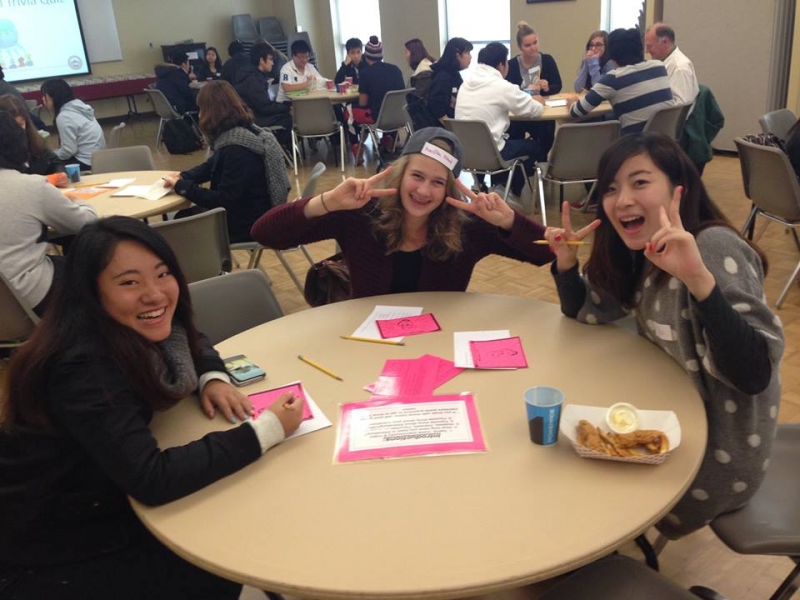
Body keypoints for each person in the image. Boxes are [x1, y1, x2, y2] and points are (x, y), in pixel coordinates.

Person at [0, 216, 304, 600]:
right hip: (56, 542)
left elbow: (191, 336)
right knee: (226, 555)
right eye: (129, 282)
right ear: (90, 292)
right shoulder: (83, 365)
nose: (155, 295)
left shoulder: (134, 327)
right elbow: (151, 478)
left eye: (163, 274)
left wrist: (212, 376)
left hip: (100, 493)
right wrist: (268, 428)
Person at [544, 132, 783, 539]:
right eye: (611, 189)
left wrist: (699, 282)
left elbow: (754, 373)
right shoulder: (644, 252)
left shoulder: (709, 247)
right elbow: (590, 312)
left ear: (678, 189)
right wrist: (567, 266)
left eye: (640, 182)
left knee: (565, 486)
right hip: (671, 415)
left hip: (715, 454)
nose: (622, 201)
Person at [250, 127, 554, 298]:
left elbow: (546, 252)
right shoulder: (361, 213)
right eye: (417, 177)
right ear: (400, 172)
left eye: (437, 183)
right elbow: (264, 234)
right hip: (369, 343)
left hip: (440, 343)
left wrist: (509, 221)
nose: (423, 191)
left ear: (449, 189)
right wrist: (327, 201)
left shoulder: (467, 226)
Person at [162, 81, 290, 244]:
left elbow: (223, 200)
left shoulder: (236, 149)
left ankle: (209, 266)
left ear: (211, 112)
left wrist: (183, 187)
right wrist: (183, 176)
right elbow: (211, 166)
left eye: (201, 109)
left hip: (249, 223)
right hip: (250, 211)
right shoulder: (240, 134)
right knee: (183, 218)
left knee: (179, 226)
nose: (199, 115)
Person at [0, 112, 97, 316]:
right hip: (25, 297)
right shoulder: (30, 186)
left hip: (9, 303)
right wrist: (79, 201)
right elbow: (85, 223)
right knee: (91, 268)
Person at [455, 42, 544, 202]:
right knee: (535, 145)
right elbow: (534, 110)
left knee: (507, 139)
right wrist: (538, 100)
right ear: (501, 65)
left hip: (466, 155)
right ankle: (510, 191)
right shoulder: (502, 86)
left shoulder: (465, 85)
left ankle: (500, 186)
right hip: (495, 154)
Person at [569, 28, 674, 134]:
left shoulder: (614, 78)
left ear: (612, 55)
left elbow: (576, 111)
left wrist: (572, 102)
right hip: (666, 142)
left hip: (635, 144)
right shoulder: (659, 66)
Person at [505, 22, 562, 159]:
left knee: (545, 138)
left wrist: (547, 88)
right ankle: (520, 170)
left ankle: (538, 166)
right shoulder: (512, 64)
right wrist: (525, 91)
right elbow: (508, 89)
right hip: (520, 114)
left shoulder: (547, 60)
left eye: (535, 43)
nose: (533, 48)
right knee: (512, 134)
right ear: (520, 47)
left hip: (541, 114)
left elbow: (558, 85)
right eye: (528, 45)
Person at [353, 35, 406, 153]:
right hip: (400, 117)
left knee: (349, 111)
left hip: (377, 118)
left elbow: (363, 102)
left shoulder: (365, 74)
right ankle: (390, 138)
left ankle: (356, 146)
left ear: (366, 56)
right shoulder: (396, 70)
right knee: (389, 108)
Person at [234, 42, 293, 148]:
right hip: (254, 119)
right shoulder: (253, 80)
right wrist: (286, 107)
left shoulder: (251, 75)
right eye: (270, 59)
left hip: (252, 116)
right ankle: (280, 149)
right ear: (262, 60)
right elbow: (264, 107)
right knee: (288, 118)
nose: (273, 63)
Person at [39, 78, 106, 171]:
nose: (43, 99)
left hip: (86, 162)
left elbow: (68, 151)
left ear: (54, 96)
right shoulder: (78, 106)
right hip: (99, 157)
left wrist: (52, 154)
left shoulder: (64, 116)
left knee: (44, 166)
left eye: (44, 95)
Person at [0, 93, 62, 175]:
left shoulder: (33, 139)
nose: (19, 130)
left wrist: (59, 173)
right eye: (14, 125)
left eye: (21, 124)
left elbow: (55, 162)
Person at [644, 23, 699, 106]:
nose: (647, 51)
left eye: (649, 46)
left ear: (665, 41)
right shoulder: (663, 64)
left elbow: (680, 110)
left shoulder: (680, 68)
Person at [427, 37, 472, 124]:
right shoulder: (443, 77)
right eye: (467, 52)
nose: (470, 57)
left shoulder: (454, 73)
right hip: (442, 130)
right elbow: (438, 111)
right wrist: (455, 131)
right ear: (457, 55)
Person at [334, 38, 364, 160]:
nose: (356, 56)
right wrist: (344, 65)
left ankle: (357, 142)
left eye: (358, 52)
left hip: (364, 99)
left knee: (350, 114)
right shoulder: (347, 67)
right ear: (348, 54)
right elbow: (337, 81)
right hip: (351, 100)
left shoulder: (366, 64)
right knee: (349, 114)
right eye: (353, 53)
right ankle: (354, 144)